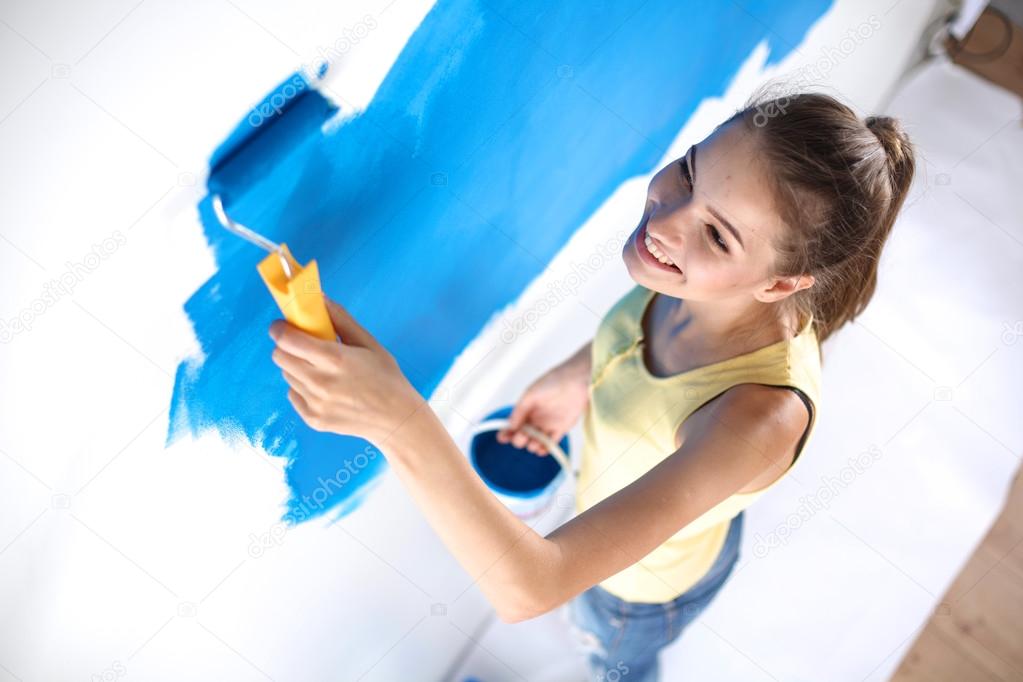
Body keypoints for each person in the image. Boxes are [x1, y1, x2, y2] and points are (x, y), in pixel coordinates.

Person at [266, 86, 916, 681]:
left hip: (642, 593)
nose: (664, 221)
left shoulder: (756, 421)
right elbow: (644, 335)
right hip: (672, 514)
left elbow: (529, 588)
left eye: (716, 234)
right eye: (688, 172)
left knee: (610, 656)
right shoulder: (709, 285)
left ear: (779, 285)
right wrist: (580, 375)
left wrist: (398, 423)